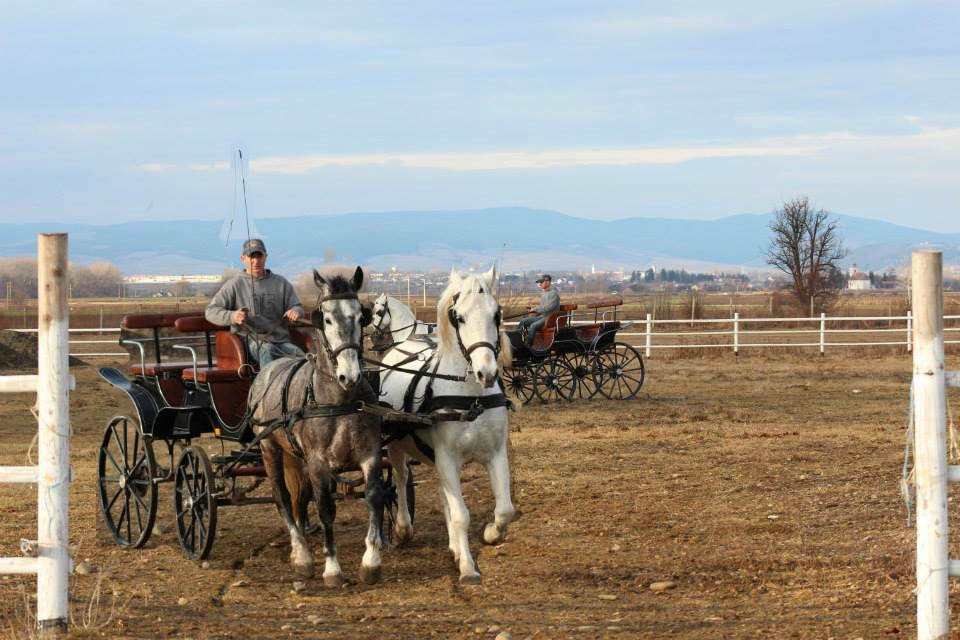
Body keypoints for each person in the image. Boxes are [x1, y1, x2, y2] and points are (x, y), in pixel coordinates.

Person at [205, 238, 305, 367]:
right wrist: (232, 316)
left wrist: (296, 312)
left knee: (301, 355)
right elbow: (211, 311)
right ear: (243, 259)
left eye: (259, 256)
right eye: (251, 256)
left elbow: (296, 306)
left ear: (266, 257)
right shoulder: (235, 285)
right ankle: (267, 387)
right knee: (267, 350)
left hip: (279, 342)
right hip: (249, 344)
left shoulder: (281, 283)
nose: (256, 261)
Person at [518, 274, 560, 347]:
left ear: (547, 282)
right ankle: (518, 342)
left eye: (541, 282)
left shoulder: (554, 293)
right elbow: (542, 306)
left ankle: (529, 346)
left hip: (550, 318)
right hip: (543, 316)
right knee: (523, 322)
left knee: (533, 326)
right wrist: (534, 309)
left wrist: (536, 309)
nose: (540, 284)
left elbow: (549, 307)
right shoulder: (544, 292)